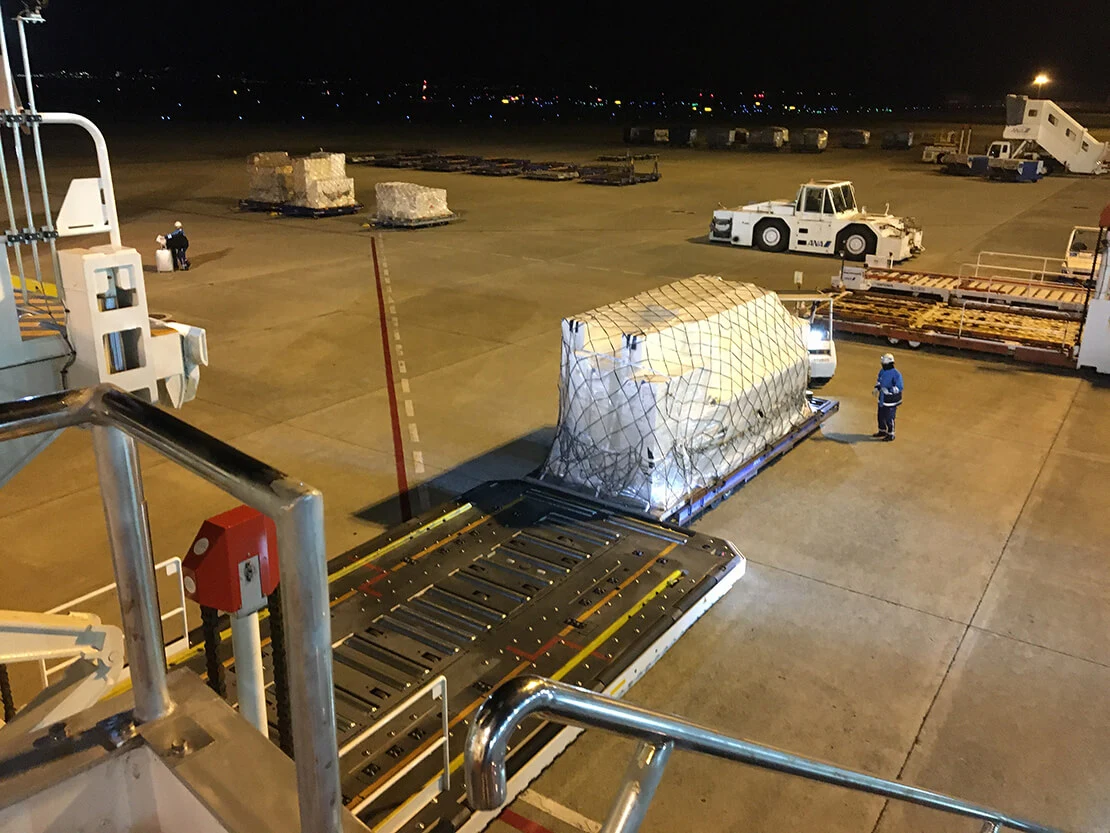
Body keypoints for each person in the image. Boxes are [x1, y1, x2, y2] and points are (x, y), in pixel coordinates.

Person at [873, 353, 903, 441]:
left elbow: (899, 387)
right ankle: (882, 430)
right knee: (880, 416)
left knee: (889, 417)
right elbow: (879, 381)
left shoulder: (896, 374)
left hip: (891, 400)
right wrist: (877, 388)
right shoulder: (882, 371)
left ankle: (891, 434)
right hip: (882, 398)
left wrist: (889, 391)